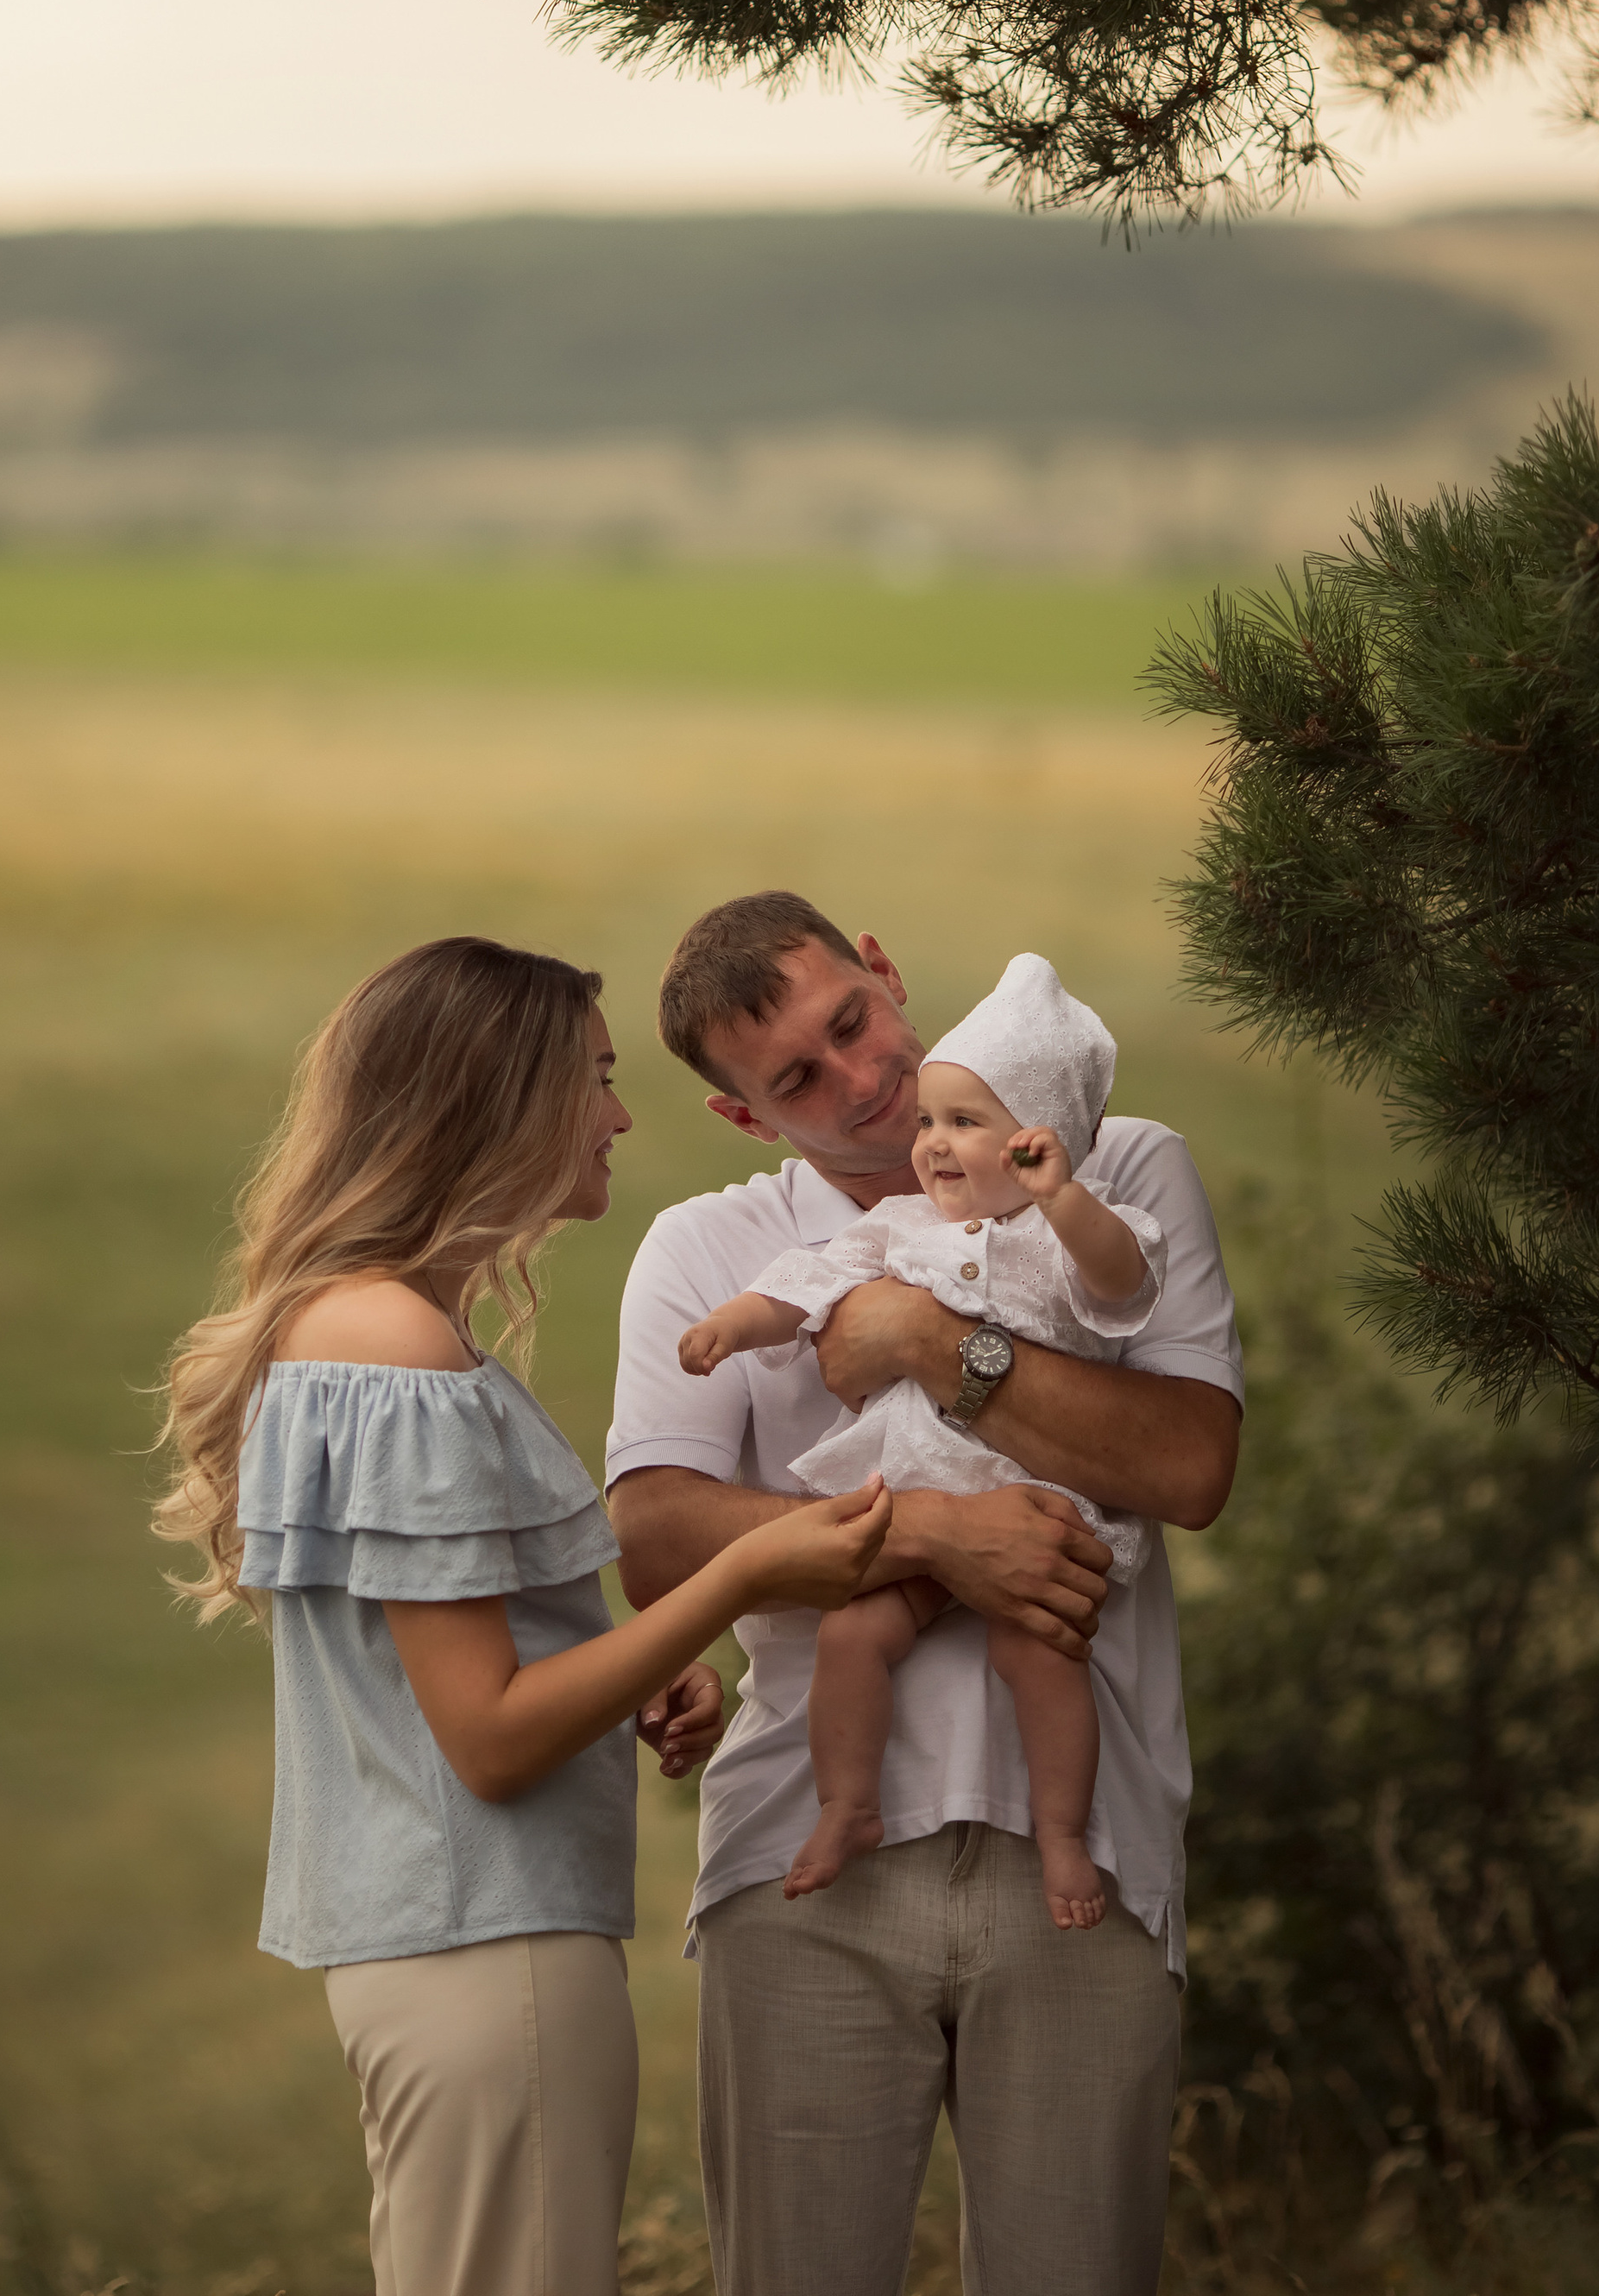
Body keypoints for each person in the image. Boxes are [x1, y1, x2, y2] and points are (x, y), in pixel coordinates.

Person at [154, 932, 892, 2296]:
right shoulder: (396, 1347)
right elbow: (487, 1741)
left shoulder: (352, 1326)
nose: (618, 1116)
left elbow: (450, 1667)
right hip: (489, 1957)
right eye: (596, 1081)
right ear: (494, 1101)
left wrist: (622, 1670)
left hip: (432, 1955)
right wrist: (745, 1576)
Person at [607, 893, 1243, 2296]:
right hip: (804, 1864)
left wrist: (924, 1338)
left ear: (884, 971)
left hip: (1086, 1856)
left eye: (852, 1020)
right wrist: (937, 1538)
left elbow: (1191, 1462)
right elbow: (655, 1536)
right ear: (746, 1120)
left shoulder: (1113, 1169)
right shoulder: (710, 1252)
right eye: (797, 1080)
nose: (862, 1077)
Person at [677, 954, 1165, 1924]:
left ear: (1039, 1143)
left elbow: (1120, 1286)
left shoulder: (1076, 1230)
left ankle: (1065, 1835)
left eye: (963, 1125)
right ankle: (848, 1805)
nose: (930, 1143)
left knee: (1039, 1656)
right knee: (852, 1638)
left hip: (1037, 1512)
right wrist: (731, 1326)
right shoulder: (902, 1225)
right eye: (933, 1120)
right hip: (912, 1485)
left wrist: (1061, 1196)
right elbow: (802, 1287)